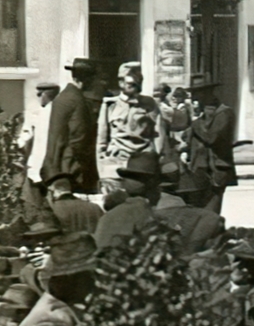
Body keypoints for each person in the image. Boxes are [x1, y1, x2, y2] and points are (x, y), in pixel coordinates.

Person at [96, 61, 161, 194]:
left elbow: (158, 134)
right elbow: (101, 140)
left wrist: (154, 157)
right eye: (131, 84)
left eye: (138, 83)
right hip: (116, 164)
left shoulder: (149, 104)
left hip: (142, 165)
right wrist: (102, 166)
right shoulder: (110, 105)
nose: (136, 87)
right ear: (120, 83)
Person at [40, 58, 100, 195]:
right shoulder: (78, 101)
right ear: (87, 79)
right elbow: (79, 138)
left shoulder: (63, 97)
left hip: (55, 166)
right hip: (71, 171)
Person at [184, 74, 236, 214]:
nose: (194, 98)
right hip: (199, 170)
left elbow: (212, 138)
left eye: (197, 94)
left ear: (207, 93)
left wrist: (195, 124)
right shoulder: (202, 116)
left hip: (215, 171)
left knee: (211, 214)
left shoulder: (224, 113)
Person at [17, 81, 58, 214]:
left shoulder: (36, 112)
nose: (38, 98)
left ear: (45, 94)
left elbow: (25, 136)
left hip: (37, 164)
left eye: (39, 95)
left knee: (35, 203)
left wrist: (19, 144)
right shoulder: (59, 111)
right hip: (52, 166)